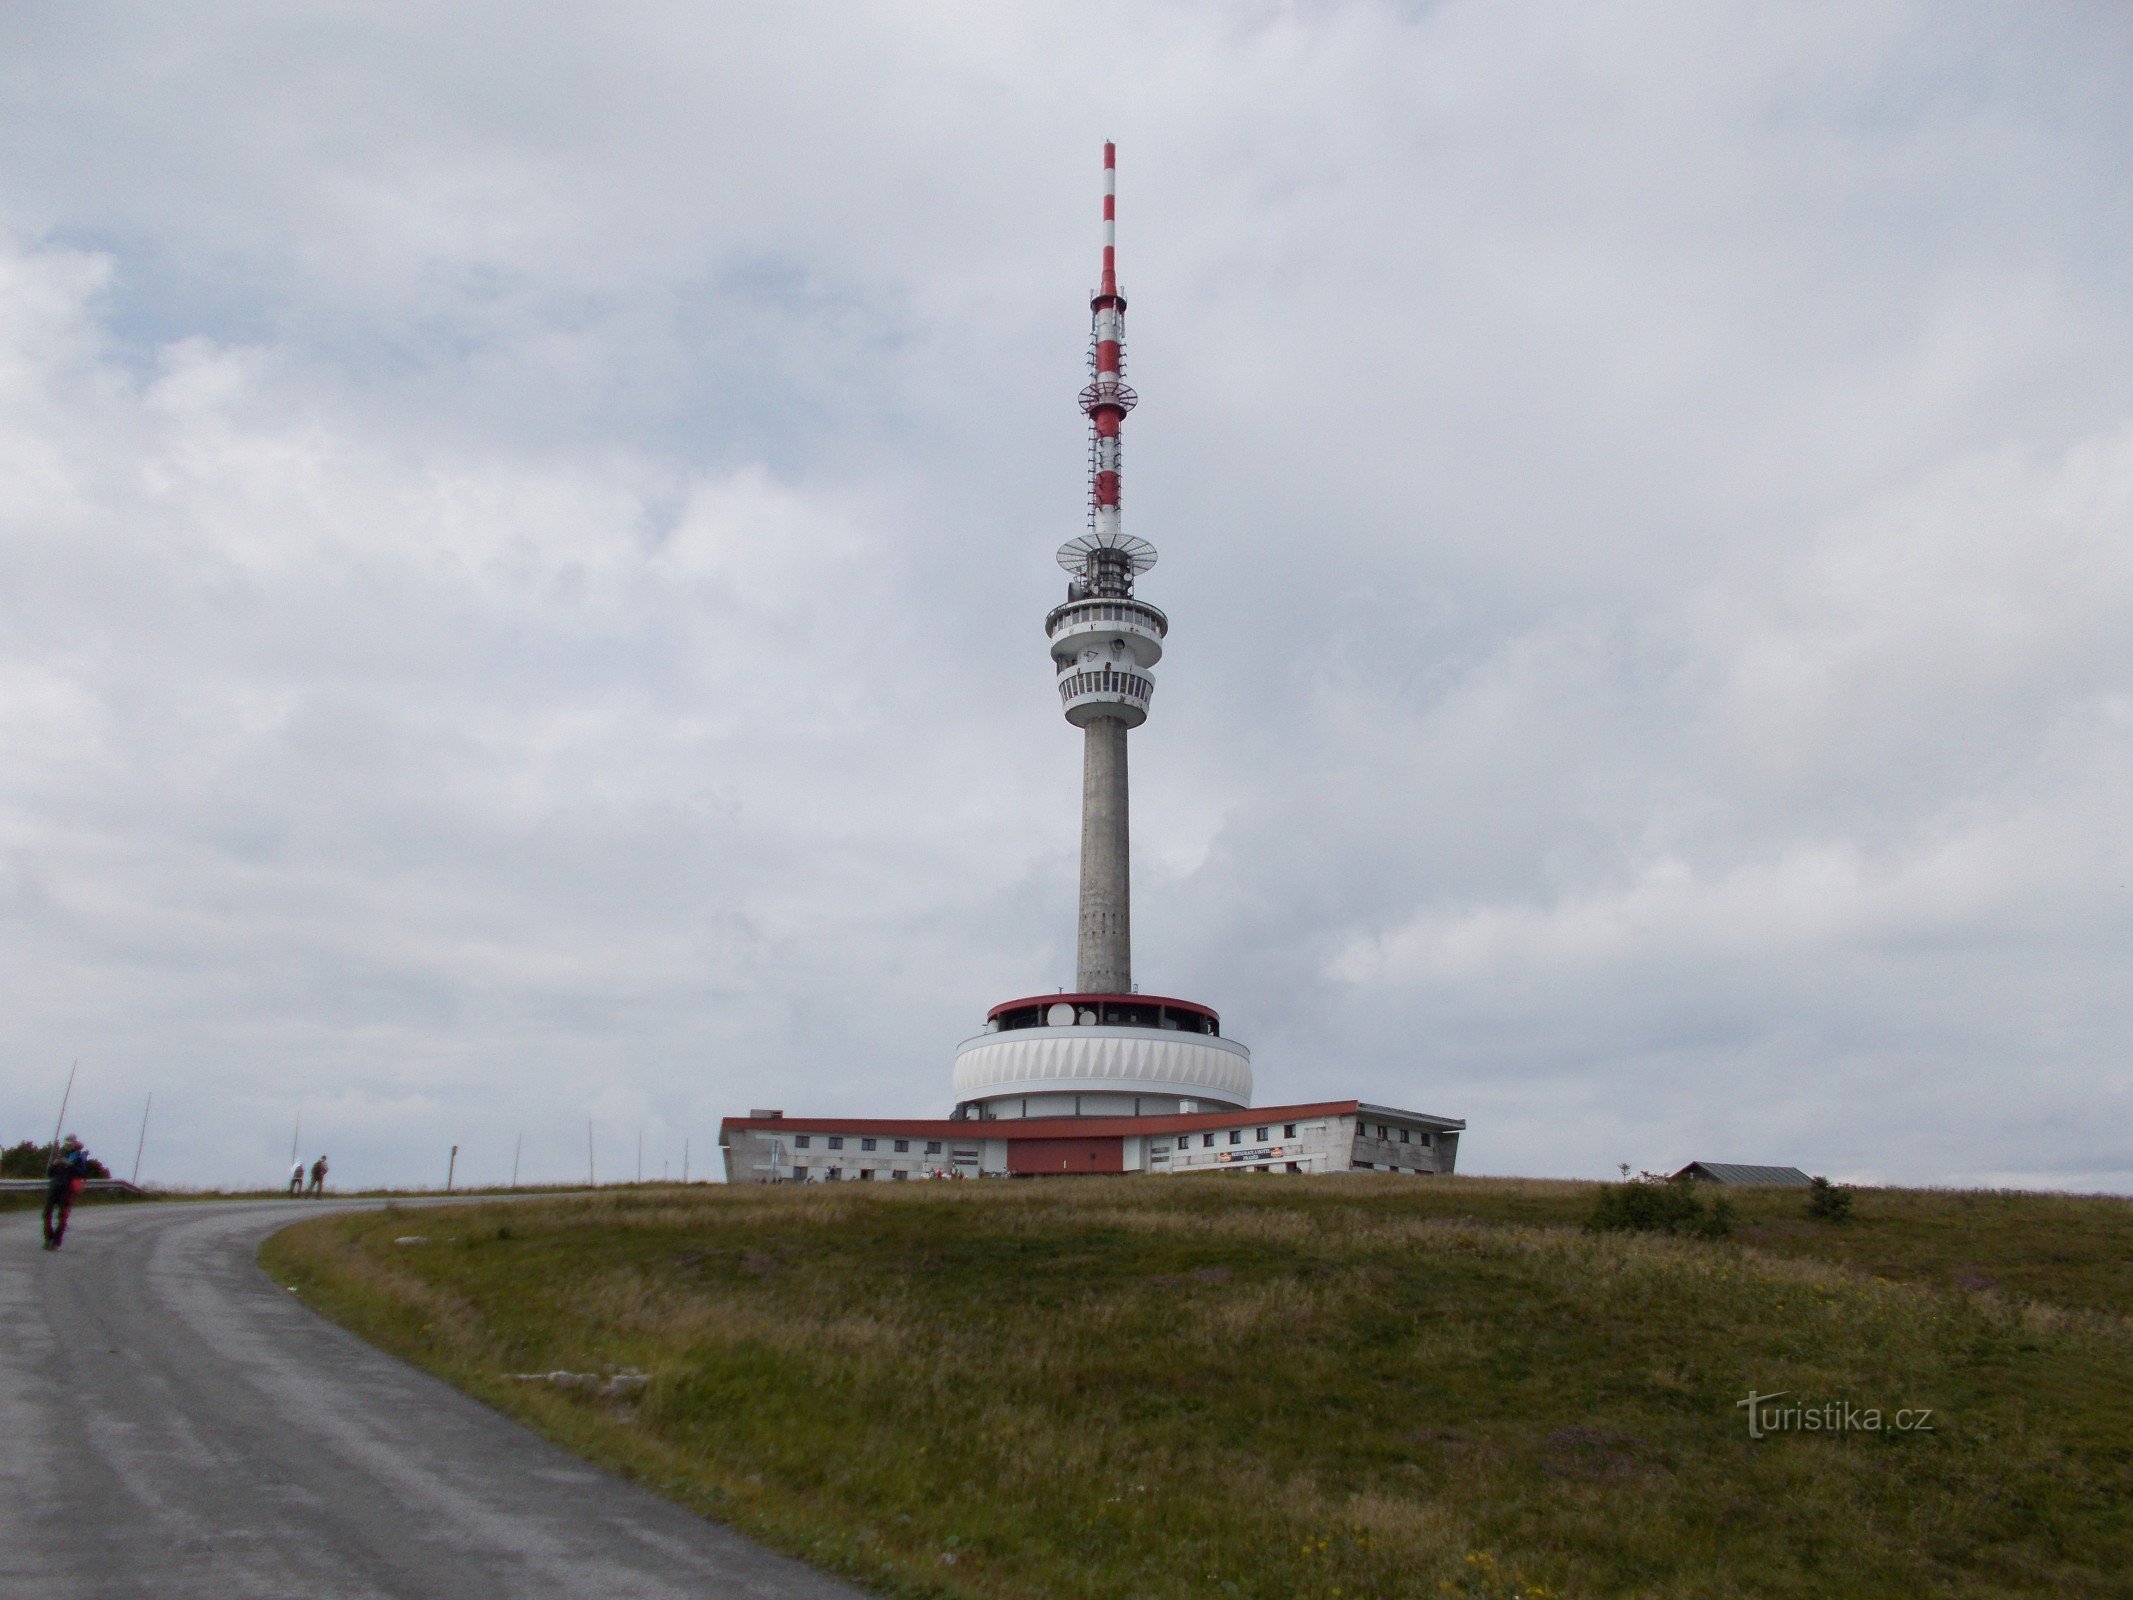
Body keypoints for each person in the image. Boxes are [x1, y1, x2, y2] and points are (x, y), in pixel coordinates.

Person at [42, 1136, 89, 1251]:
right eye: (66, 1142)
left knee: (62, 1216)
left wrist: (69, 1164)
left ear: (74, 1143)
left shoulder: (79, 1156)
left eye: (70, 1142)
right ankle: (49, 1238)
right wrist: (55, 1164)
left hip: (67, 1188)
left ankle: (56, 1241)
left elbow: (82, 1173)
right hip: (54, 1186)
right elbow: (50, 1173)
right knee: (46, 1213)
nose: (68, 1144)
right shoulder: (60, 1154)